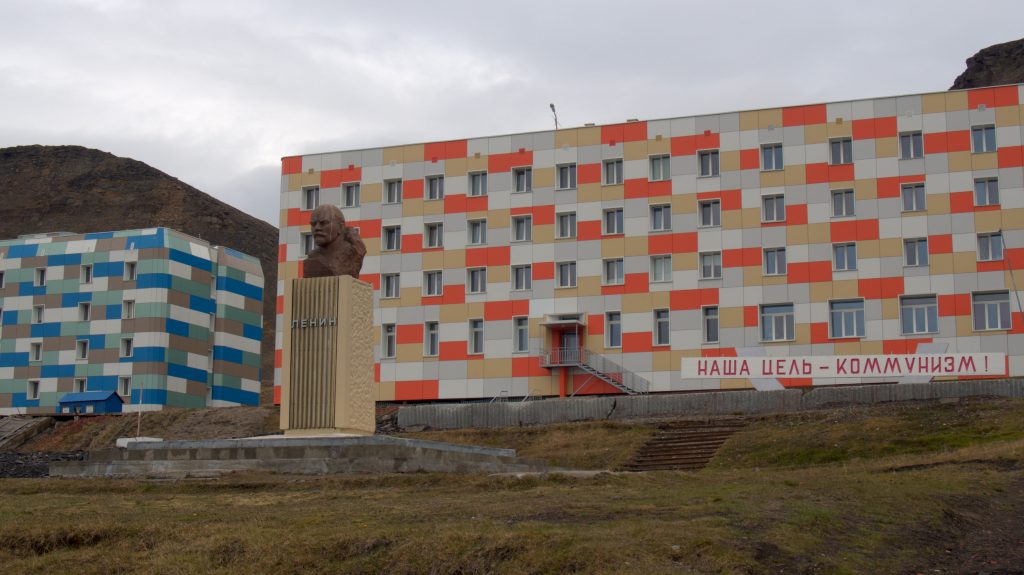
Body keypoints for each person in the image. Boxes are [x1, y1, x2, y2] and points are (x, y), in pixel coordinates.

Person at [303, 204, 367, 278]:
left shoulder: (353, 253)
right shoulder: (312, 257)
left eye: (323, 223)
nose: (317, 228)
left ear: (340, 227)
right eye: (313, 224)